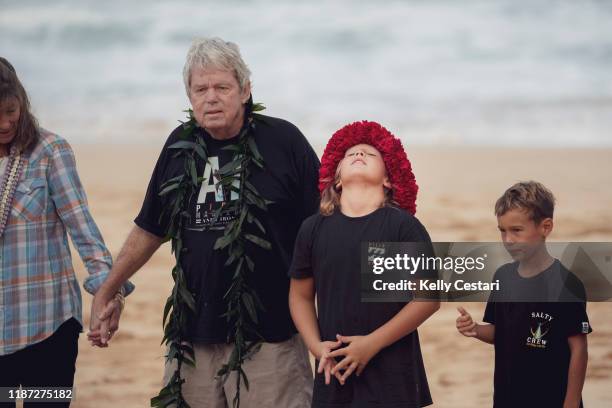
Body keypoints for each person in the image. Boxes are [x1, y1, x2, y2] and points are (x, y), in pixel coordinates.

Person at [90, 38, 320, 407]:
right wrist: (109, 289)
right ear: (190, 95)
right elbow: (150, 227)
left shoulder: (284, 141)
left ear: (245, 90)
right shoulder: (179, 146)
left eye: (222, 87)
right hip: (192, 339)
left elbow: (322, 227)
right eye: (201, 89)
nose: (211, 97)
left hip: (270, 337)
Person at [0, 57, 133, 407]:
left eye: (11, 110)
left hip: (47, 328)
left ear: (21, 100)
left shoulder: (49, 152)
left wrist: (109, 292)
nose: (4, 123)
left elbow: (83, 229)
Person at [289, 120, 439, 408]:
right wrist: (315, 346)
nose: (358, 154)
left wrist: (372, 343)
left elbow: (428, 299)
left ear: (388, 179)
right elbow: (300, 295)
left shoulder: (403, 227)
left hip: (392, 376)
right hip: (334, 373)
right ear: (336, 178)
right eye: (350, 155)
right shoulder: (313, 228)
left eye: (370, 155)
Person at [456, 181, 591, 408]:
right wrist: (475, 329)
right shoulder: (503, 277)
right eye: (502, 231)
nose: (508, 240)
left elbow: (579, 349)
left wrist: (571, 402)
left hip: (552, 400)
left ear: (545, 227)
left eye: (517, 230)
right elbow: (502, 333)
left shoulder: (566, 283)